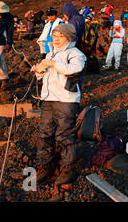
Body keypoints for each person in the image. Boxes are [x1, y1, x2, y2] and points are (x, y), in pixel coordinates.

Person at [32, 23, 86, 187]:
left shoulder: (75, 53)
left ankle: (67, 169)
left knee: (64, 134)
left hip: (66, 100)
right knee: (45, 132)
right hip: (48, 98)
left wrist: (52, 64)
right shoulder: (51, 53)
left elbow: (75, 69)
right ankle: (45, 164)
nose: (55, 39)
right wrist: (39, 70)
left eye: (60, 36)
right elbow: (43, 77)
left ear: (68, 37)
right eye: (54, 36)